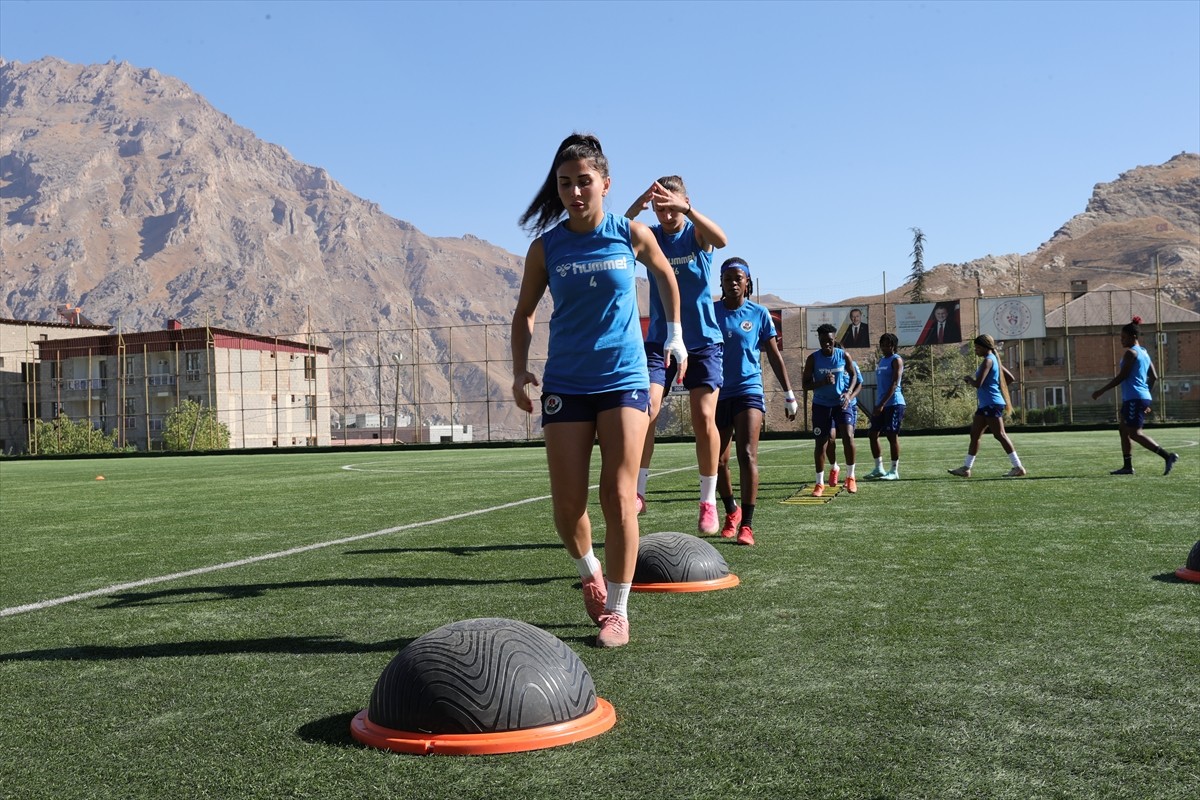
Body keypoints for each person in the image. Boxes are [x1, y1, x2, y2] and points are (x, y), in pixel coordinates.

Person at [512, 133, 687, 648]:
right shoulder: (546, 248)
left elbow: (666, 278)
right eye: (565, 183)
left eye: (584, 181)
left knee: (618, 495)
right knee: (567, 508)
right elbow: (524, 314)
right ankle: (590, 570)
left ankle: (618, 610)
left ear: (605, 184)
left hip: (624, 378)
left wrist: (674, 335)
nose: (574, 192)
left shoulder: (631, 233)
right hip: (567, 382)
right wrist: (520, 370)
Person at [624, 175, 728, 534]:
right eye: (659, 208)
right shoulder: (650, 236)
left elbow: (721, 239)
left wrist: (690, 211)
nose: (666, 215)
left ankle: (708, 501)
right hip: (660, 341)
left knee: (703, 417)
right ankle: (638, 493)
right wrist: (637, 205)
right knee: (647, 411)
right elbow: (614, 235)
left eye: (672, 207)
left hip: (703, 343)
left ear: (683, 203)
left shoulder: (696, 234)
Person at [711, 258, 797, 546]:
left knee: (747, 454)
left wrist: (789, 393)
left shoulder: (759, 314)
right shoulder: (711, 313)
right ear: (721, 282)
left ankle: (747, 525)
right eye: (727, 278)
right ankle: (731, 511)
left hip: (749, 390)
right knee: (717, 461)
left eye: (738, 278)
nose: (733, 283)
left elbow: (773, 355)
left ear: (747, 281)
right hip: (718, 393)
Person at [1090, 317, 1179, 475]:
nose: (1121, 340)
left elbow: (1122, 376)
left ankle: (1167, 456)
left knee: (1134, 433)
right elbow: (1154, 377)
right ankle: (1127, 467)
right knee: (1123, 430)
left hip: (1134, 397)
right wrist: (1146, 398)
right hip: (1138, 397)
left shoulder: (1131, 353)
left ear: (1133, 336)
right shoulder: (1144, 352)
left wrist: (1101, 391)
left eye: (1123, 337)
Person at [948, 334, 1026, 478]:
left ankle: (1018, 467)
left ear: (985, 347)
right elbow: (1010, 378)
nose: (975, 350)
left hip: (991, 403)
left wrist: (969, 379)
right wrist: (995, 387)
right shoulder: (993, 359)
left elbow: (978, 383)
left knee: (1000, 435)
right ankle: (966, 468)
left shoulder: (988, 361)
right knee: (975, 434)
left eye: (977, 347)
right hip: (986, 404)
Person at [802, 324, 861, 496]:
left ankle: (850, 477)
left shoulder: (843, 355)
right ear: (819, 340)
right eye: (823, 341)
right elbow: (805, 385)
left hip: (841, 403)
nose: (827, 344)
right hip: (821, 405)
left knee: (848, 436)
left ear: (834, 339)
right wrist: (822, 382)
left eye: (829, 340)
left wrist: (849, 394)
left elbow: (854, 375)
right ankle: (819, 483)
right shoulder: (813, 359)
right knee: (822, 443)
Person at [864, 333, 906, 480]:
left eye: (888, 344)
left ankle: (894, 471)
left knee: (891, 436)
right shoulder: (882, 360)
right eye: (882, 344)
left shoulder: (896, 360)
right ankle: (879, 468)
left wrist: (882, 403)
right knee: (872, 434)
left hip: (894, 403)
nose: (885, 347)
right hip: (881, 403)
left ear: (894, 346)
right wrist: (879, 403)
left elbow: (894, 384)